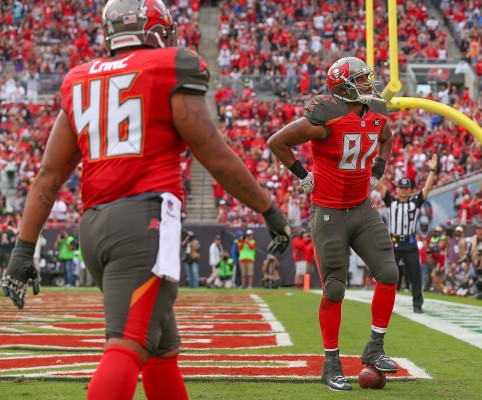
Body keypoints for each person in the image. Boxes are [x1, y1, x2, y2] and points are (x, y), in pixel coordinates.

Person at [1, 2, 291, 400]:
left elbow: (50, 175)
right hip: (144, 223)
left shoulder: (79, 79)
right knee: (128, 344)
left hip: (94, 228)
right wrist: (269, 210)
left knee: (161, 348)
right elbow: (213, 152)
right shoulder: (167, 66)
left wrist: (23, 249)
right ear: (155, 30)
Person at [268, 56, 400, 391]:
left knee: (388, 273)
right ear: (343, 86)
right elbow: (277, 141)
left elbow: (386, 136)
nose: (369, 85)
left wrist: (378, 170)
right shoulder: (326, 113)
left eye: (368, 79)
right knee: (335, 289)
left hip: (361, 206)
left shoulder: (377, 110)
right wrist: (302, 175)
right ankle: (331, 363)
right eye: (361, 80)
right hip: (328, 210)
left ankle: (375, 347)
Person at [377, 155, 438, 314]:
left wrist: (432, 170)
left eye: (406, 188)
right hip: (394, 242)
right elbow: (380, 185)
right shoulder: (391, 201)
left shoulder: (415, 202)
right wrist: (375, 164)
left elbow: (427, 188)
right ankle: (383, 304)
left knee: (415, 274)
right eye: (401, 187)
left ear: (410, 190)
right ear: (396, 189)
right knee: (388, 275)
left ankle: (417, 305)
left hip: (410, 243)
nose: (403, 190)